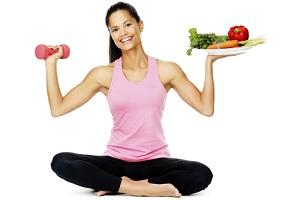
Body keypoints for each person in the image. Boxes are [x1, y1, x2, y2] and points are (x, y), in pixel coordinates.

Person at [47, 1, 235, 198]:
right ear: (111, 34)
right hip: (115, 162)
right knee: (61, 161)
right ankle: (138, 188)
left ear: (140, 25)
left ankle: (119, 186)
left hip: (156, 162)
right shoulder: (103, 74)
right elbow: (58, 108)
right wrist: (51, 64)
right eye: (115, 29)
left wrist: (209, 63)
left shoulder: (166, 70)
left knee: (201, 173)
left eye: (128, 24)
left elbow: (206, 108)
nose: (123, 33)